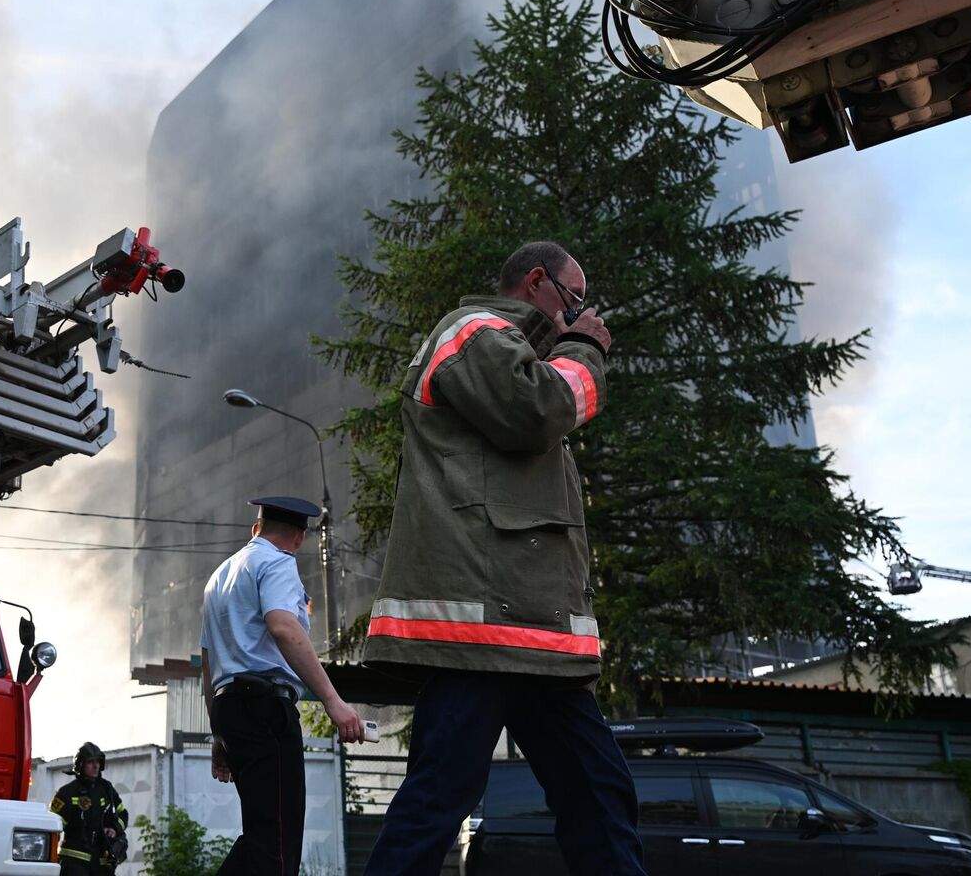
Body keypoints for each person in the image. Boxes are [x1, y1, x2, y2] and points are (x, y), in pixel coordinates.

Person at [361, 241, 645, 876]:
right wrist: (586, 348)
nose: (582, 313)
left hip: (533, 633)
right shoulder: (473, 333)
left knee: (600, 797)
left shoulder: (515, 354)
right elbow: (536, 411)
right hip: (481, 632)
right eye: (574, 298)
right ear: (537, 282)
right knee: (439, 801)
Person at [201, 497, 365, 876]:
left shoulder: (219, 577)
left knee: (262, 832)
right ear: (299, 537)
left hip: (230, 709)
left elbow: (208, 664)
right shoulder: (277, 561)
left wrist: (218, 736)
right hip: (264, 708)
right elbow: (284, 626)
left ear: (255, 529)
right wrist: (333, 701)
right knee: (278, 838)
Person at [50, 741, 127, 875]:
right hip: (75, 861)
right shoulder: (67, 793)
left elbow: (123, 814)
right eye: (90, 762)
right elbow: (52, 827)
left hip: (102, 861)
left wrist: (114, 829)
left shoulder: (107, 789)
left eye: (97, 761)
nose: (95, 766)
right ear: (81, 765)